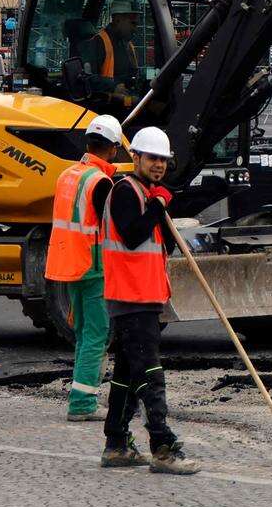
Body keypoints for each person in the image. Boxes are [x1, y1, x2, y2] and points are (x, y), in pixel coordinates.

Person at [97, 125, 195, 474]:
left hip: (146, 297)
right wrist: (158, 203)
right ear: (135, 156)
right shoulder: (126, 191)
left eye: (163, 160)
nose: (158, 165)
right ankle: (163, 446)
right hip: (131, 298)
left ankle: (116, 444)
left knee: (126, 373)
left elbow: (159, 246)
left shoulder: (146, 193)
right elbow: (134, 235)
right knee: (149, 373)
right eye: (152, 158)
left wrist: (162, 206)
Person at [45, 115, 123, 420]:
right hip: (92, 266)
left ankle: (82, 395)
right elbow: (112, 225)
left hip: (68, 263)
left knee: (83, 333)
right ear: (113, 149)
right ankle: (82, 404)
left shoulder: (68, 175)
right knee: (96, 334)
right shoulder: (100, 182)